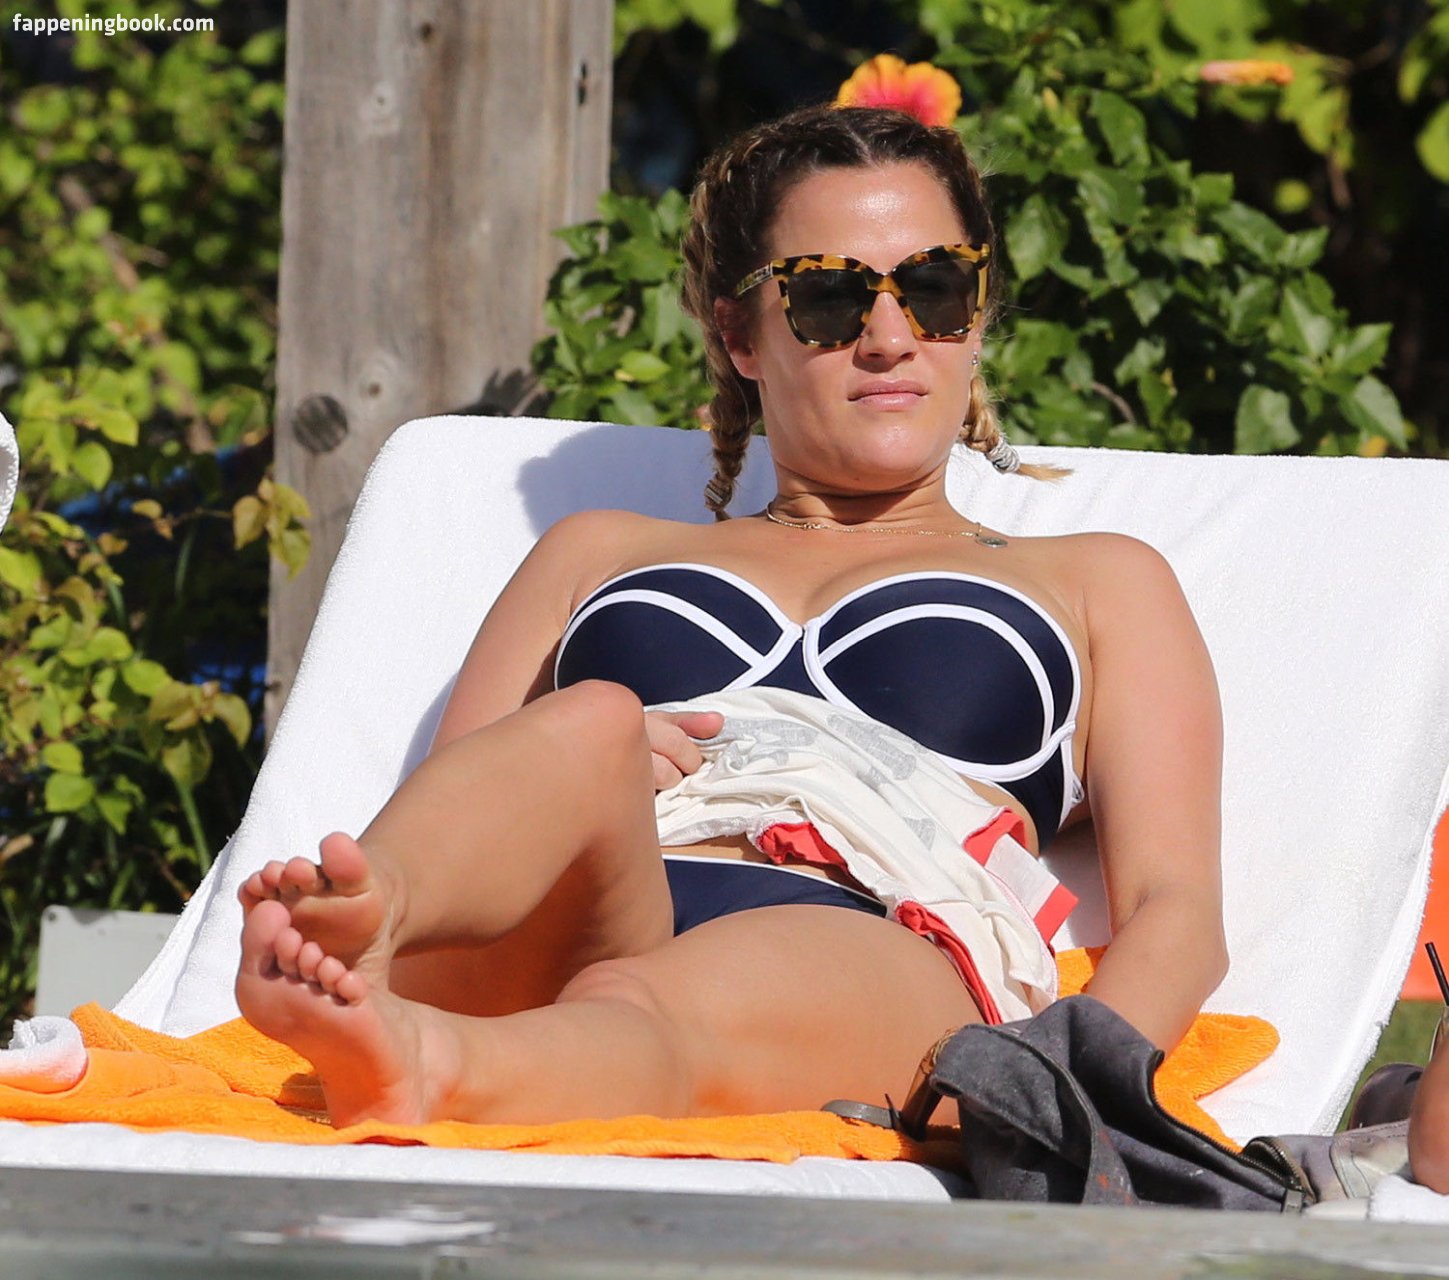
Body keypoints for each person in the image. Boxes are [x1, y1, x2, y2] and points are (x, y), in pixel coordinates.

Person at [234, 102, 1230, 1130]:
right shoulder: (596, 551)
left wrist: (1062, 1094)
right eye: (830, 298)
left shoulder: (1097, 580)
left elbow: (1175, 910)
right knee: (590, 723)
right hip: (562, 912)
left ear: (976, 317)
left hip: (866, 923)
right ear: (739, 335)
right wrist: (589, 767)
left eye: (935, 288)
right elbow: (465, 794)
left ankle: (432, 1061)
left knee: (653, 1004)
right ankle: (358, 930)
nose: (890, 339)